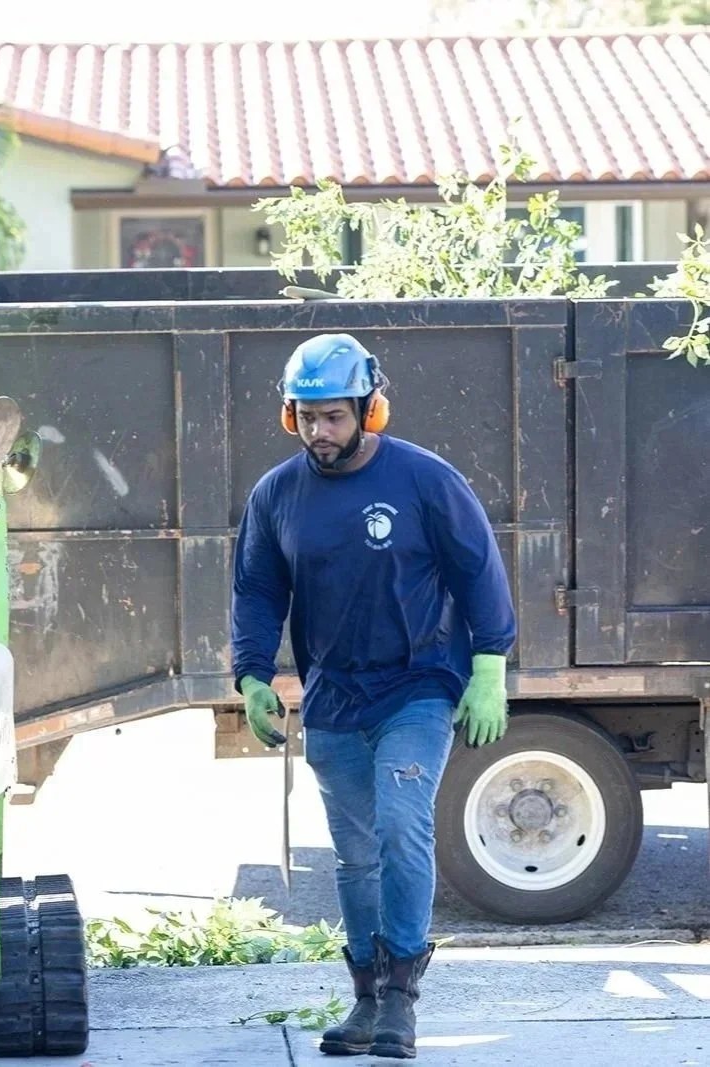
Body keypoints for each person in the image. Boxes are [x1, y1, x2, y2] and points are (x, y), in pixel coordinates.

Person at [231, 333, 516, 1060]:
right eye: (305, 416)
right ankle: (364, 998)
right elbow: (258, 590)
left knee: (398, 824)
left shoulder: (424, 480)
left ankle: (402, 1000)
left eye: (332, 415)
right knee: (354, 857)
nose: (318, 432)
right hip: (333, 694)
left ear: (369, 408)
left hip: (417, 685)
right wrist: (252, 675)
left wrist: (489, 664)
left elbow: (477, 568)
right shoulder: (276, 496)